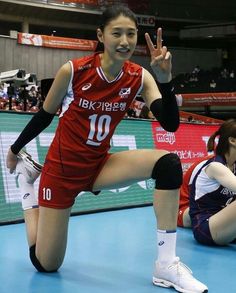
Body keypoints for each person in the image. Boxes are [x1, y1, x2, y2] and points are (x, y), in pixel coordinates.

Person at [6, 5, 207, 293]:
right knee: (46, 265)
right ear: (101, 35)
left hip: (99, 166)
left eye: (131, 34)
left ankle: (166, 264)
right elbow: (44, 115)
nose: (125, 41)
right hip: (61, 172)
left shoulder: (139, 76)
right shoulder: (73, 71)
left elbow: (170, 124)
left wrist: (165, 82)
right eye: (117, 33)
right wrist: (15, 149)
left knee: (168, 164)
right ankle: (28, 187)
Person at [178, 119, 236, 246]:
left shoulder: (233, 166)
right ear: (232, 141)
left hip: (222, 223)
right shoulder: (215, 166)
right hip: (205, 227)